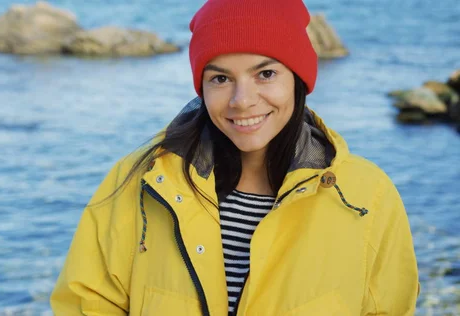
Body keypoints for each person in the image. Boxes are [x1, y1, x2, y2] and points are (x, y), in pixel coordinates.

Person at [50, 0, 420, 314]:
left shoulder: (366, 197)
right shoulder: (139, 180)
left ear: (299, 79)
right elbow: (85, 303)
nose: (242, 100)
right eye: (221, 79)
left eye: (266, 74)